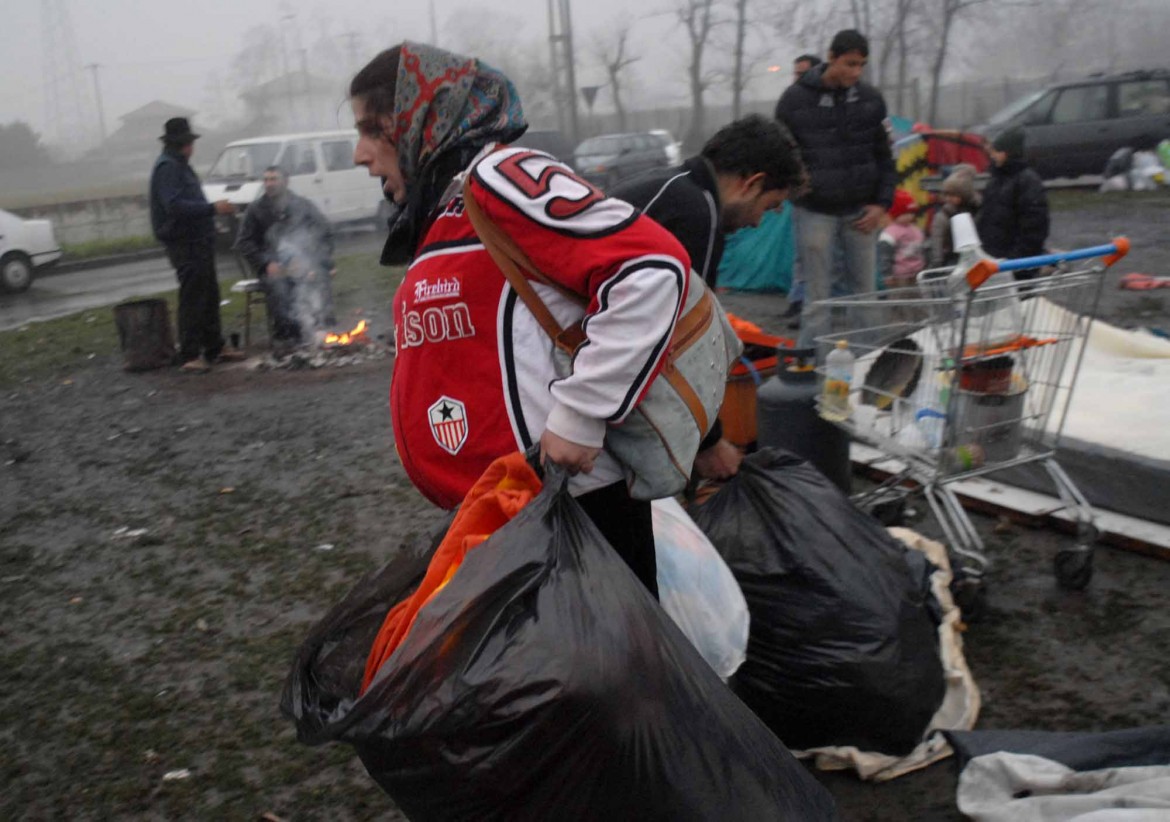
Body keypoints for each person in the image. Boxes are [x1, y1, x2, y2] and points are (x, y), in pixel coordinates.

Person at [351, 42, 697, 598]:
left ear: (423, 117)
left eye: (373, 129)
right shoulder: (446, 205)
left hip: (572, 515)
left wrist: (582, 413)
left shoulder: (500, 173)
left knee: (599, 684)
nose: (359, 154)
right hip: (506, 517)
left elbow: (650, 269)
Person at [611, 114, 806, 479]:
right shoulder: (697, 213)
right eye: (768, 206)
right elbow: (681, 346)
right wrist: (707, 443)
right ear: (752, 183)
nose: (757, 223)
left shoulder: (672, 186)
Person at [774, 29, 896, 346]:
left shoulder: (870, 99)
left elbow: (886, 155)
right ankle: (810, 374)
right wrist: (794, 192)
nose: (855, 72)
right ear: (831, 58)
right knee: (816, 298)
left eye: (861, 65)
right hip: (815, 210)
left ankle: (870, 367)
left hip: (862, 212)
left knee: (866, 294)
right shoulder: (794, 100)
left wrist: (882, 204)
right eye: (849, 64)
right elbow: (780, 154)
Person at [149, 117, 244, 372]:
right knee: (192, 297)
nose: (192, 147)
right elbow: (175, 206)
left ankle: (215, 347)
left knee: (209, 294)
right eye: (190, 142)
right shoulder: (168, 168)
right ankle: (190, 354)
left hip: (199, 239)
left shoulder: (181, 166)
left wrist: (208, 222)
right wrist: (212, 208)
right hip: (183, 242)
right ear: (183, 144)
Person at [234, 165, 337, 349]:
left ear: (285, 181)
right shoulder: (256, 210)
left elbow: (326, 232)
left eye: (274, 179)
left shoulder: (302, 205)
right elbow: (244, 242)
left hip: (304, 264)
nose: (269, 184)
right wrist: (266, 263)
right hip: (273, 267)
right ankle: (287, 335)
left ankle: (322, 328)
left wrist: (316, 261)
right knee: (278, 285)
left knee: (319, 275)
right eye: (266, 180)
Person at [976, 126, 1049, 280]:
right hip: (995, 262)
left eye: (996, 151)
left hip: (1014, 266)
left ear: (1007, 153)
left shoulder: (1027, 182)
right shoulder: (996, 180)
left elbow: (1034, 228)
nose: (992, 155)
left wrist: (1015, 262)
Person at [781, 52, 822, 326]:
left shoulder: (823, 109)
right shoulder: (792, 105)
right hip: (802, 195)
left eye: (802, 73)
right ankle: (798, 300)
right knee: (800, 252)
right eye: (794, 73)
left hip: (823, 196)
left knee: (816, 254)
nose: (796, 79)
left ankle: (812, 304)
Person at [927, 163, 980, 269]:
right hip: (954, 257)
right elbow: (937, 238)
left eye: (953, 195)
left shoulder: (978, 208)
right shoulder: (945, 214)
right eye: (946, 195)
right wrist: (937, 260)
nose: (948, 199)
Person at [877, 188, 925, 290]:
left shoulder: (916, 230)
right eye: (904, 213)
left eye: (911, 213)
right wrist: (887, 274)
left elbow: (923, 249)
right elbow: (885, 255)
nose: (908, 216)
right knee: (899, 300)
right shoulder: (890, 233)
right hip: (899, 276)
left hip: (917, 273)